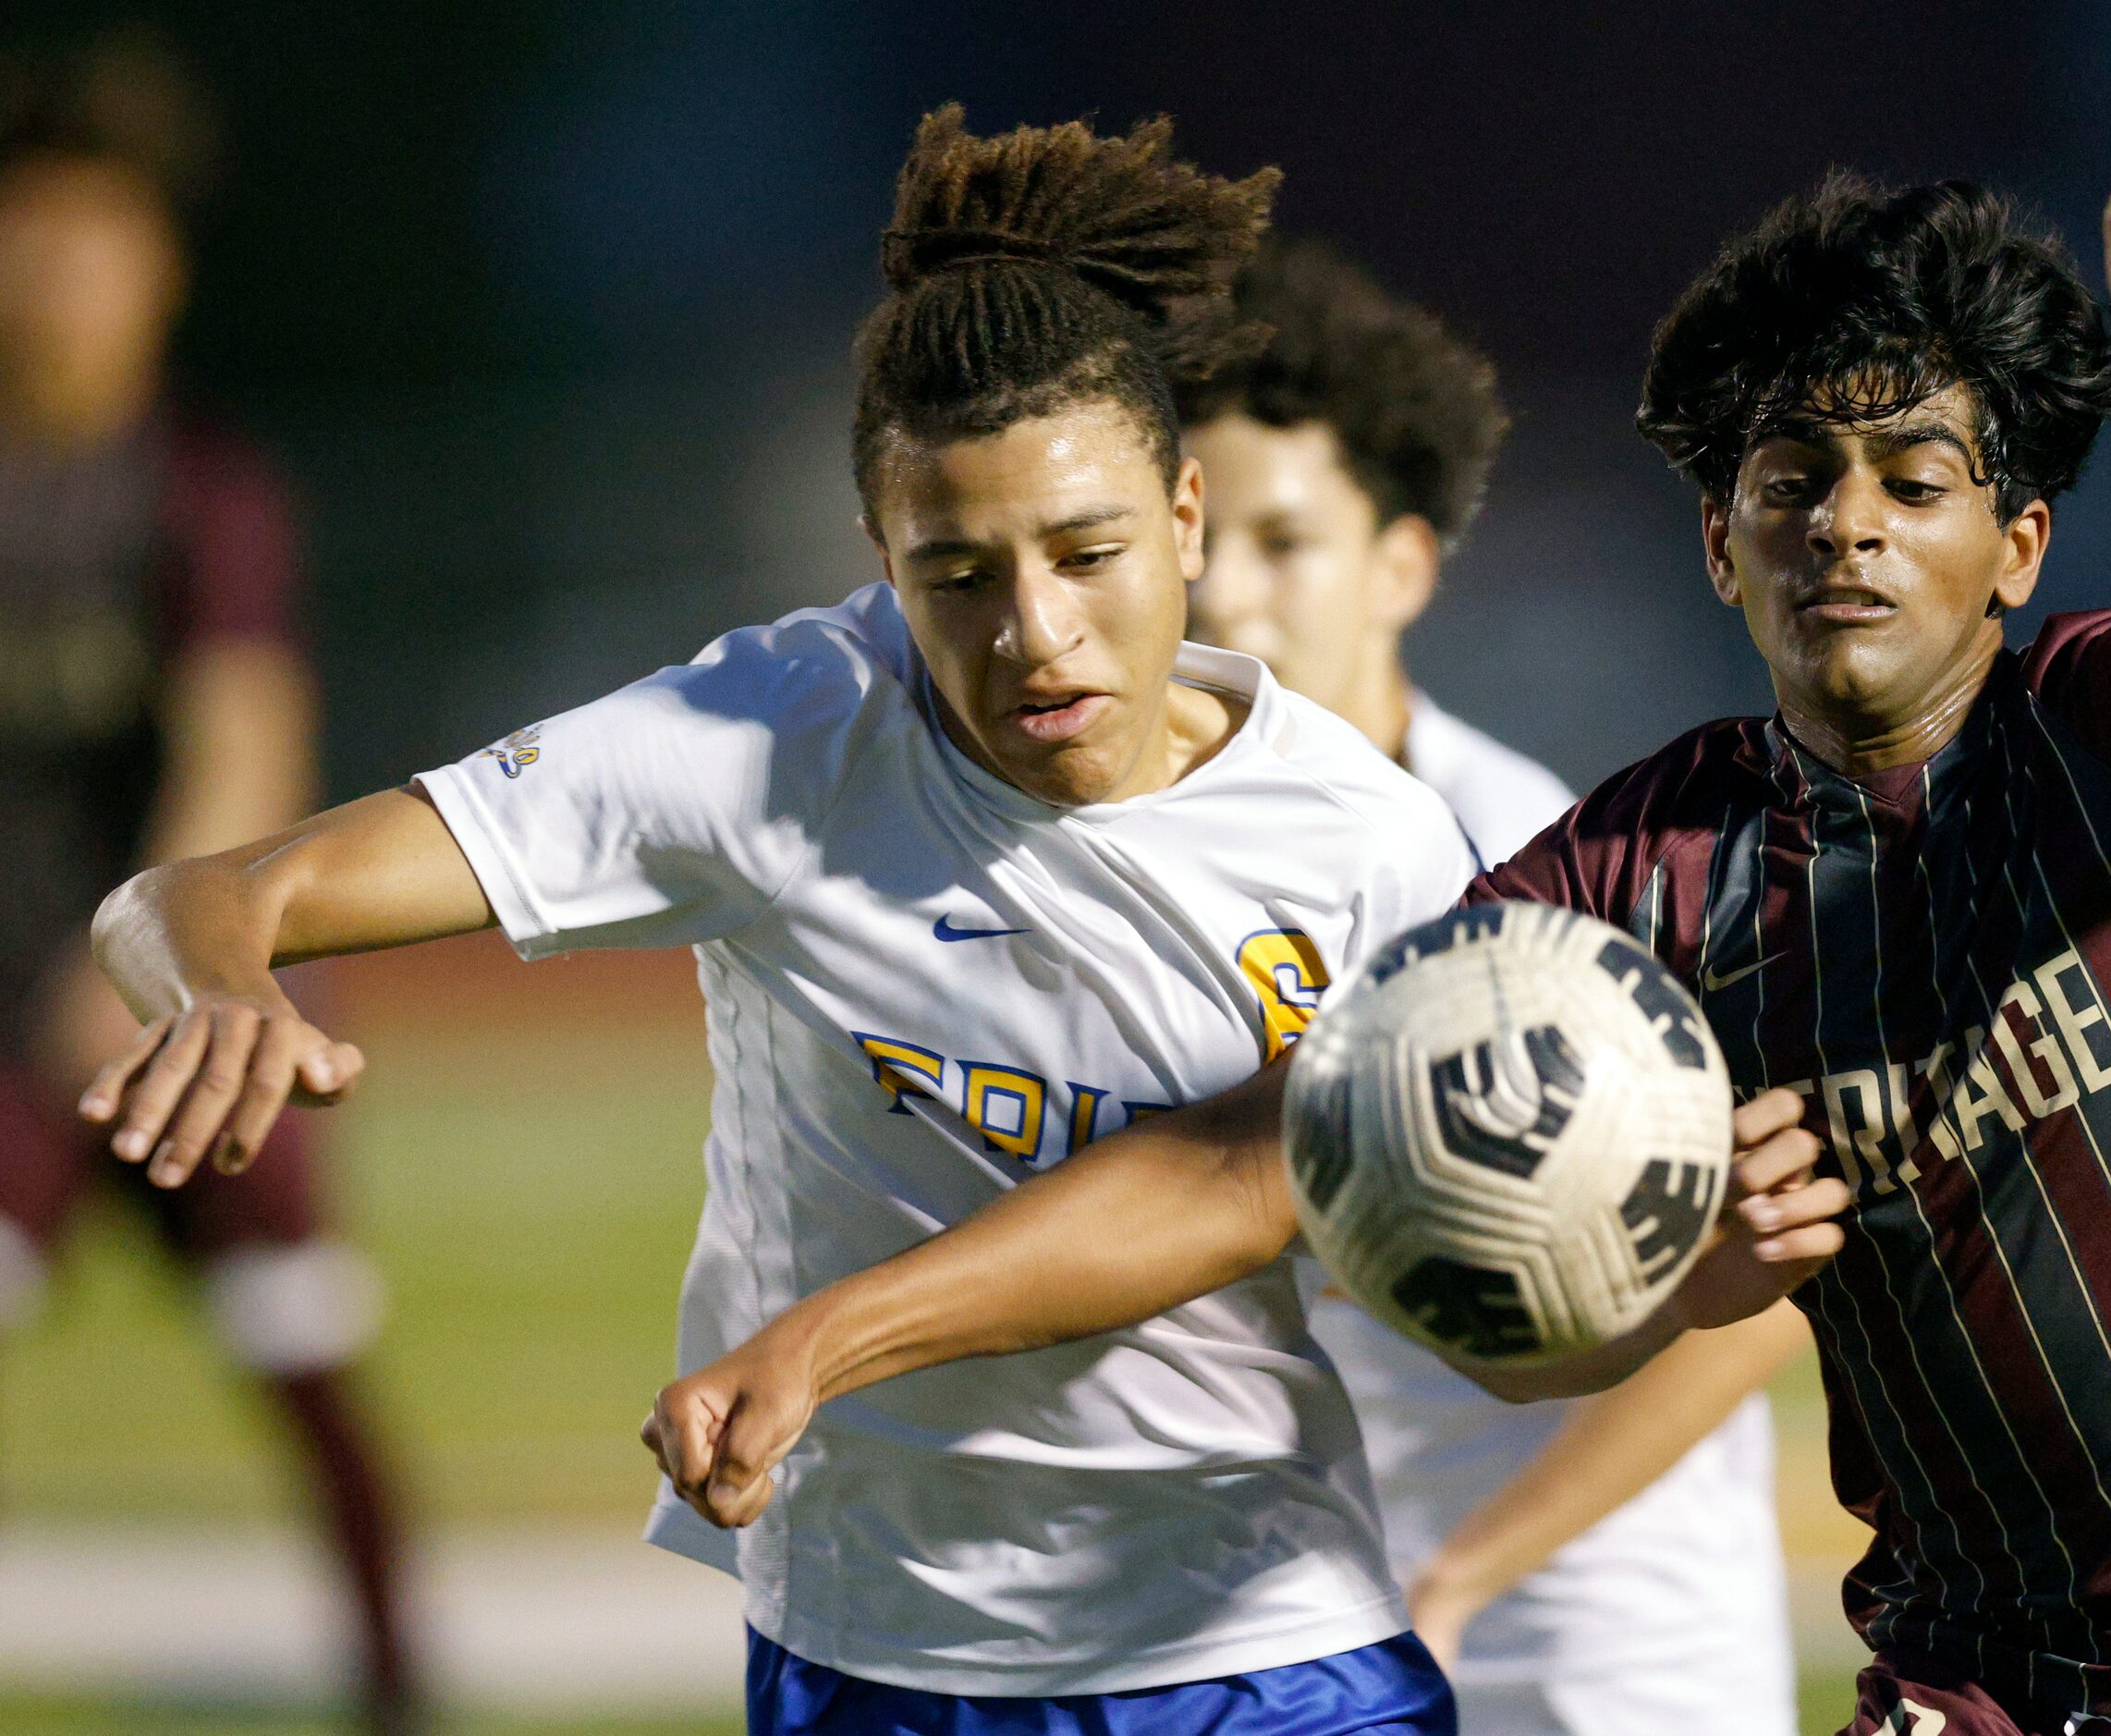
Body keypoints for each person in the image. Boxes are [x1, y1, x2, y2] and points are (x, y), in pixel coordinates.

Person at [550, 172, 2111, 1735]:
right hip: (1993, 1675)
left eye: (1910, 485)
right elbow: (1325, 1176)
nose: (1842, 527)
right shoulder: (1628, 878)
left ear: (2011, 549)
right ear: (1718, 541)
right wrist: (1681, 1278)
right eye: (1788, 483)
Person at [74, 107, 1828, 1736]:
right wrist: (221, 982)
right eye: (958, 575)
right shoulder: (767, 742)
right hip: (874, 1651)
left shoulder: (1366, 843)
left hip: (1258, 1645)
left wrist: (1667, 1286)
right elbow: (207, 891)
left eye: (1087, 553)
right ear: (879, 550)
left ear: (1184, 520)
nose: (1035, 633)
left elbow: (1299, 1218)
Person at [1178, 236, 1807, 1734]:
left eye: (1282, 541)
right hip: (1328, 1611)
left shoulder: (1539, 877)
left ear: (1402, 563)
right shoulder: (1165, 861)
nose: (1222, 592)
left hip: (1592, 1642)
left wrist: (1462, 1576)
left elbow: (1768, 1288)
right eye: (1190, 538)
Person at [0, 42, 418, 1733]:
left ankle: (400, 1686)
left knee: (305, 1356)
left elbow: (241, 746)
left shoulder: (205, 488)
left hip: (184, 1017)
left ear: (158, 262)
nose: (58, 274)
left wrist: (145, 968)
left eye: (95, 234)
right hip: (7, 1029)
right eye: (29, 231)